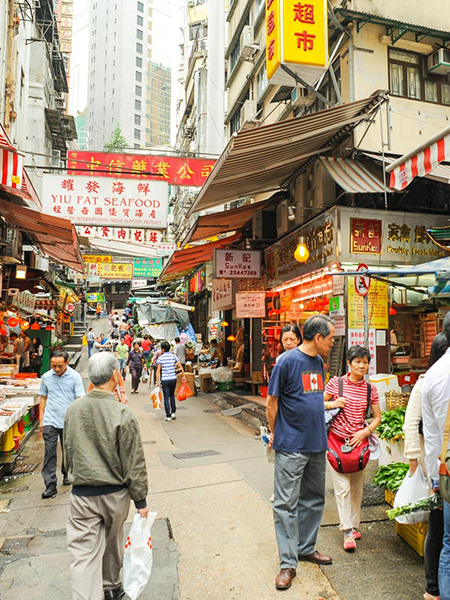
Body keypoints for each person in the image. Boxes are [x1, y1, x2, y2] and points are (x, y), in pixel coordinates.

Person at [64, 352, 148, 600]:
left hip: (82, 494)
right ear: (115, 375)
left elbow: (68, 450)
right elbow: (134, 461)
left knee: (82, 552)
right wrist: (140, 500)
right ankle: (111, 587)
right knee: (112, 543)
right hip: (115, 494)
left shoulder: (74, 409)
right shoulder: (122, 414)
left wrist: (73, 474)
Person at [266, 314, 335, 591]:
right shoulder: (286, 362)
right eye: (330, 339)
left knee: (314, 499)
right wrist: (276, 433)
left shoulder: (318, 362)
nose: (332, 343)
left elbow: (314, 397)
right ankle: (287, 562)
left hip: (317, 442)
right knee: (285, 504)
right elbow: (272, 403)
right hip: (291, 445)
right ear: (317, 338)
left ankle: (306, 548)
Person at [404, 331, 449, 600]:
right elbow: (411, 423)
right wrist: (413, 461)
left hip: (438, 466)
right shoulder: (427, 380)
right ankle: (432, 587)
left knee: (443, 533)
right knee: (438, 530)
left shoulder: (434, 377)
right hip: (433, 465)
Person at [324, 345, 381, 551]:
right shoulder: (336, 384)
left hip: (359, 443)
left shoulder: (370, 389)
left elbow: (377, 417)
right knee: (342, 489)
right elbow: (317, 403)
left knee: (357, 488)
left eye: (365, 362)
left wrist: (365, 432)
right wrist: (334, 403)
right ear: (349, 363)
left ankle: (355, 525)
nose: (362, 366)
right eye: (357, 362)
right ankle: (347, 531)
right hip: (336, 442)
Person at [422, 312, 450, 600]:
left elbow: (431, 435)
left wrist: (433, 475)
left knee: (446, 539)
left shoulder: (432, 376)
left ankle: (434, 591)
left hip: (443, 470)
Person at [39, 350, 85, 499]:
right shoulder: (46, 377)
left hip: (68, 420)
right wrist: (41, 419)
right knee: (50, 451)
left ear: (66, 363)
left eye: (60, 365)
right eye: (54, 366)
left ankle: (67, 473)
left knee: (68, 450)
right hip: (50, 420)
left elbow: (79, 398)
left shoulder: (74, 377)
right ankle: (50, 484)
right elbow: (43, 397)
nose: (57, 369)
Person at [156, 341, 185, 422]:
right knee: (172, 395)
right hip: (173, 378)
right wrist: (183, 376)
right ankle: (173, 412)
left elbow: (158, 371)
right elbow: (180, 366)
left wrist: (157, 381)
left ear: (163, 349)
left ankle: (168, 415)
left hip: (165, 379)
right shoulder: (173, 356)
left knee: (166, 397)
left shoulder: (160, 358)